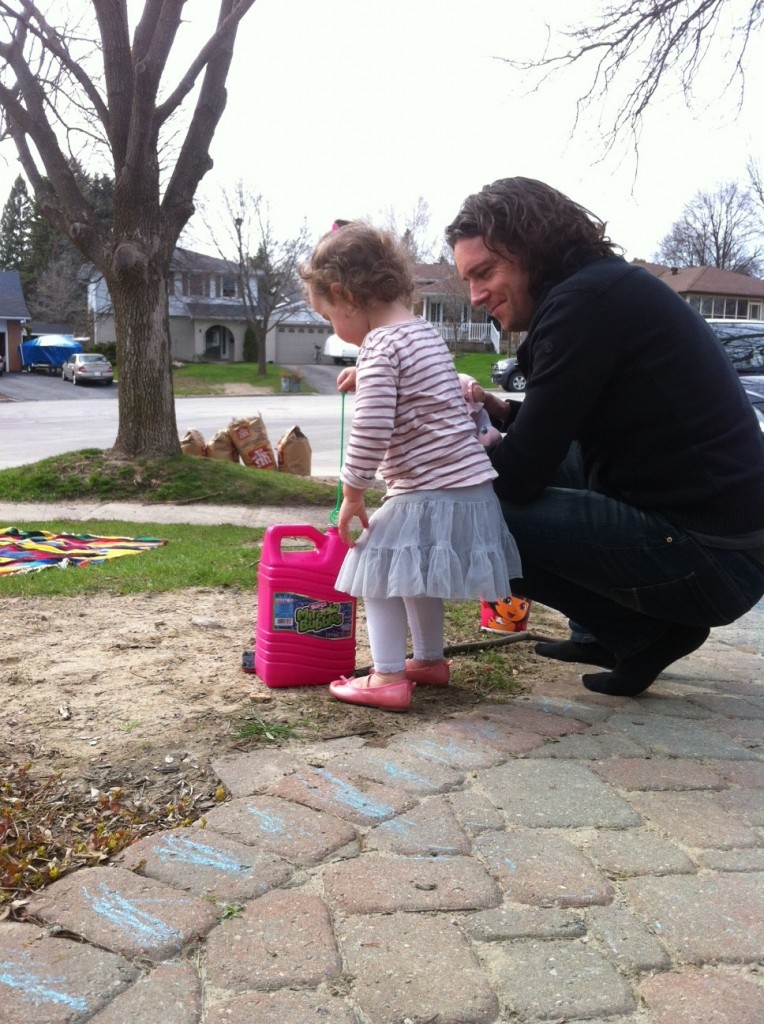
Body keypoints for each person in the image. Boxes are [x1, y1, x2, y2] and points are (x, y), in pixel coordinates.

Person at [445, 176, 764, 697]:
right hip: (733, 545)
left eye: (484, 273)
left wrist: (446, 464)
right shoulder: (602, 291)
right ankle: (597, 632)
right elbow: (569, 423)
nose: (477, 295)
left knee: (459, 512)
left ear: (534, 250)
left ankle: (642, 634)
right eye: (468, 280)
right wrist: (498, 410)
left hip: (715, 561)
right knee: (567, 462)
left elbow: (521, 476)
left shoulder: (583, 306)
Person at [299, 221, 521, 711]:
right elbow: (417, 387)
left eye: (329, 316)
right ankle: (428, 660)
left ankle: (387, 678)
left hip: (428, 486)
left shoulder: (380, 346)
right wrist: (368, 372)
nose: (335, 330)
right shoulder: (423, 334)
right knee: (413, 569)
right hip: (470, 488)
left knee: (374, 566)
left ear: (343, 294)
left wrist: (353, 491)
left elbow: (372, 428)